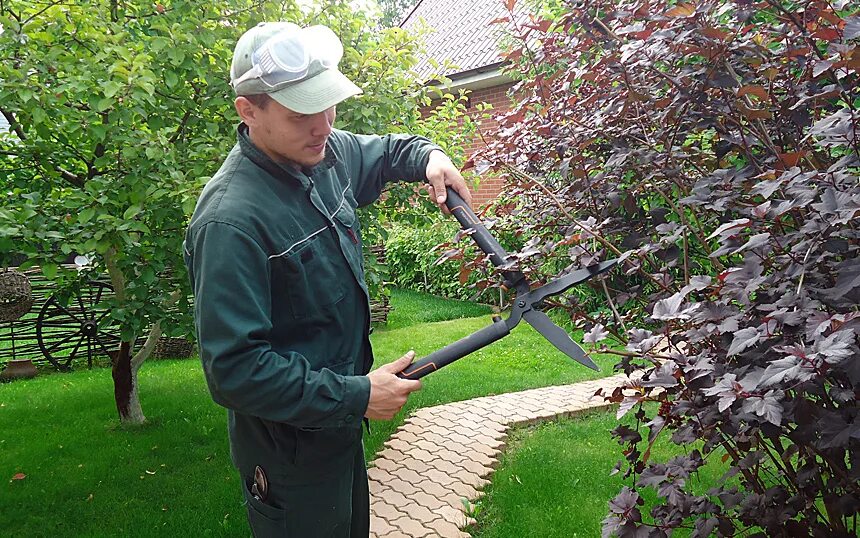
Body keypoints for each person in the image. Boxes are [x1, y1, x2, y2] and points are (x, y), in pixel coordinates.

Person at [183, 21, 472, 538]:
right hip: (290, 456)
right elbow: (235, 371)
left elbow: (384, 152)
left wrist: (431, 157)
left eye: (328, 105)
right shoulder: (231, 223)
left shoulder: (322, 152)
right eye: (301, 114)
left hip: (338, 434)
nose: (323, 125)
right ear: (249, 111)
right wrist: (356, 396)